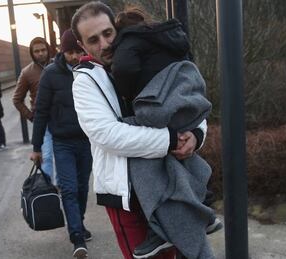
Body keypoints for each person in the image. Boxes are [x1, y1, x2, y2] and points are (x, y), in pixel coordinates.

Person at [71, 2, 203, 258]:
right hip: (125, 195)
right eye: (93, 40)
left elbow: (188, 101)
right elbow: (107, 135)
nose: (104, 45)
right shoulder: (85, 81)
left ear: (117, 28)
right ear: (82, 45)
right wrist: (171, 139)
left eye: (108, 34)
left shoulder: (144, 55)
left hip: (168, 185)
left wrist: (196, 135)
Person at [109, 7, 222, 259]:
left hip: (158, 106)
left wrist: (127, 94)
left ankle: (160, 228)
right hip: (187, 101)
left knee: (139, 149)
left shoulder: (130, 39)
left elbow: (124, 70)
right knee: (179, 155)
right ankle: (202, 207)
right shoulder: (171, 35)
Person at [30, 29, 92, 259]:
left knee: (83, 187)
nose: (75, 57)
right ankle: (76, 236)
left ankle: (80, 223)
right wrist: (37, 147)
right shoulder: (50, 74)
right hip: (62, 142)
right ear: (62, 52)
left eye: (78, 51)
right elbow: (41, 112)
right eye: (70, 52)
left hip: (86, 141)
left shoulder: (89, 70)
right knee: (69, 188)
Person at [12, 37, 55, 180]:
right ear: (32, 53)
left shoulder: (58, 66)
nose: (41, 53)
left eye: (43, 50)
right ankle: (48, 189)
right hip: (43, 122)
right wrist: (31, 117)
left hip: (62, 118)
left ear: (48, 50)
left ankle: (63, 188)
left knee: (62, 157)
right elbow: (17, 100)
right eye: (36, 51)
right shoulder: (27, 72)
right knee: (46, 156)